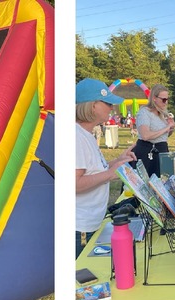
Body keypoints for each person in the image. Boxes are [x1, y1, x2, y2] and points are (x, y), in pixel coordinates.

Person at [75, 78, 136, 259]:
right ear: (93, 106)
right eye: (108, 103)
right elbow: (74, 184)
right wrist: (111, 174)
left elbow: (93, 169)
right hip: (81, 228)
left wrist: (118, 161)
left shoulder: (85, 134)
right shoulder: (75, 136)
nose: (112, 108)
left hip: (89, 224)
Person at [131, 84, 175, 177]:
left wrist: (171, 128)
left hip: (162, 150)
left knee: (163, 182)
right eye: (163, 100)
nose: (166, 102)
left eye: (167, 99)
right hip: (147, 152)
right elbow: (145, 135)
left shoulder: (163, 113)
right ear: (154, 98)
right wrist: (167, 127)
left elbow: (163, 136)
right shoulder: (144, 112)